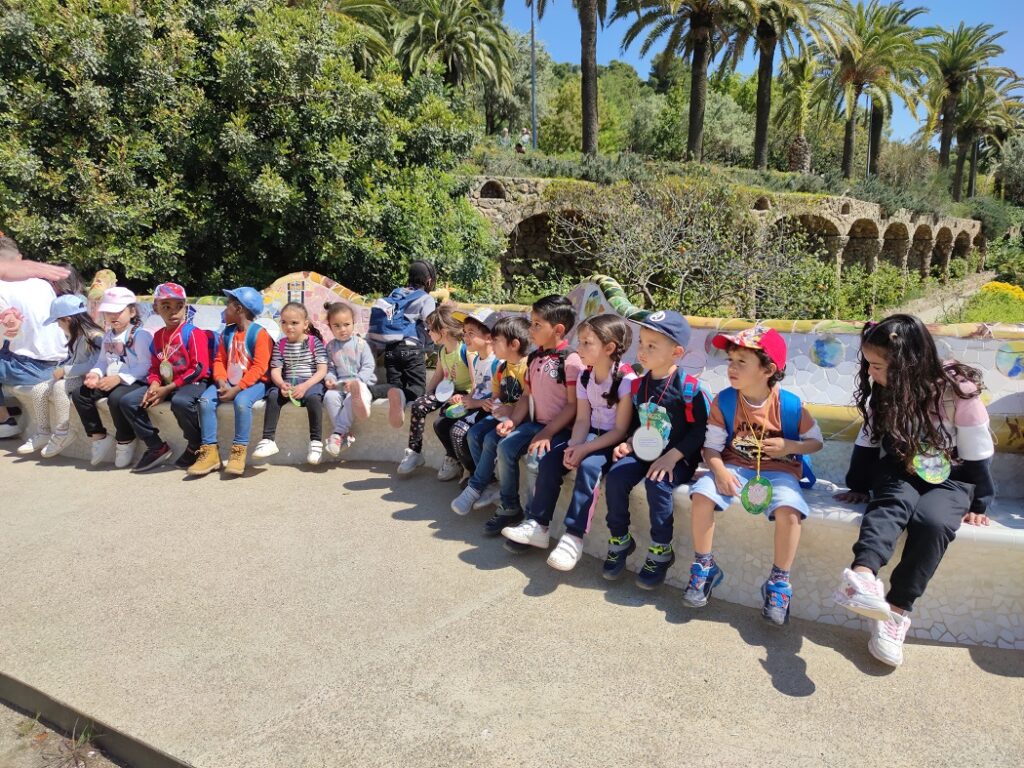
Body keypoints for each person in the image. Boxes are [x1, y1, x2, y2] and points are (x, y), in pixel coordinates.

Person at [831, 315, 995, 667]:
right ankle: (862, 577)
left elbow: (978, 450)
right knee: (891, 502)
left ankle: (895, 613)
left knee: (933, 523)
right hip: (900, 466)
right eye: (868, 364)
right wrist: (858, 485)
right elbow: (868, 440)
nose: (871, 373)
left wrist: (981, 502)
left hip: (952, 475)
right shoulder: (885, 391)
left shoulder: (957, 391)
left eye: (877, 366)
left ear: (906, 364)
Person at [685, 324, 822, 626]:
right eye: (730, 360)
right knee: (702, 495)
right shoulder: (725, 401)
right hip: (734, 467)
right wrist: (719, 471)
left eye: (741, 362)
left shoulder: (790, 405)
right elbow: (711, 448)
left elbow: (816, 441)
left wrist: (791, 446)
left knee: (790, 511)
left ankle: (779, 582)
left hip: (780, 470)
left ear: (768, 370)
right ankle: (704, 566)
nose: (731, 368)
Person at [503, 314, 636, 571]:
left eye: (587, 343)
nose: (579, 347)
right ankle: (538, 525)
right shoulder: (586, 377)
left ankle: (574, 537)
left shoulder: (625, 381)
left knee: (589, 468)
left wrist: (584, 449)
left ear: (609, 348)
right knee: (551, 460)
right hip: (589, 434)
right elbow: (583, 419)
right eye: (580, 341)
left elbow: (620, 430)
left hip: (613, 441)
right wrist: (574, 446)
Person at [601, 311, 709, 589]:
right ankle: (620, 539)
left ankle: (661, 549)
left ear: (676, 352)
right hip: (644, 452)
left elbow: (700, 431)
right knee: (616, 476)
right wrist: (627, 443)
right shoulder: (639, 385)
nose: (643, 351)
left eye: (652, 346)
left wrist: (673, 456)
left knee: (656, 483)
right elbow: (639, 423)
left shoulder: (689, 389)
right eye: (642, 343)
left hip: (677, 459)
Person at [483, 295, 583, 537]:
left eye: (537, 324)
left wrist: (547, 433)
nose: (531, 329)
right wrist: (513, 421)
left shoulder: (570, 361)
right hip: (536, 425)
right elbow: (527, 396)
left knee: (535, 461)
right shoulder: (535, 357)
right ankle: (510, 507)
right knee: (505, 447)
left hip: (560, 430)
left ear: (558, 329)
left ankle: (532, 522)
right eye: (532, 322)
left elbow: (573, 406)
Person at [120, 282, 212, 472]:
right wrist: (154, 384)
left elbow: (199, 369)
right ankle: (156, 446)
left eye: (179, 306)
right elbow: (155, 367)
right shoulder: (158, 337)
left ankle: (196, 445)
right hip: (166, 384)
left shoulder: (193, 333)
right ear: (156, 308)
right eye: (166, 307)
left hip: (192, 382)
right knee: (129, 402)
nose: (173, 312)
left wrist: (167, 389)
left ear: (185, 307)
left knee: (181, 402)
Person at [189, 287, 274, 477]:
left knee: (242, 402)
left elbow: (260, 367)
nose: (224, 309)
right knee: (205, 401)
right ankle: (210, 452)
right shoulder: (227, 333)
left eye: (228, 305)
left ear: (238, 308)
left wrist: (238, 389)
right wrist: (221, 381)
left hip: (255, 383)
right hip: (228, 381)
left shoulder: (260, 334)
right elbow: (219, 360)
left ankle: (238, 452)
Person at [450, 315, 530, 516]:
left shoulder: (527, 367)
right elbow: (497, 395)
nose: (492, 344)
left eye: (496, 340)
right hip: (502, 414)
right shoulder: (502, 368)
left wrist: (510, 411)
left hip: (521, 418)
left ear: (513, 345)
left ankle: (476, 487)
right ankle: (487, 483)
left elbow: (530, 400)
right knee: (474, 433)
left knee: (490, 438)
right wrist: (491, 402)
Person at [71, 287, 154, 467]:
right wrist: (95, 374)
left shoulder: (140, 335)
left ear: (132, 312)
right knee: (80, 394)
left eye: (119, 311)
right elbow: (102, 361)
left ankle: (125, 439)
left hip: (135, 381)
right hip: (113, 380)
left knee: (116, 399)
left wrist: (119, 378)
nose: (113, 316)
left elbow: (145, 366)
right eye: (109, 312)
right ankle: (98, 436)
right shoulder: (108, 335)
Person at [0, 237, 71, 438]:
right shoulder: (43, 284)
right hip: (61, 362)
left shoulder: (2, 286)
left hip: (32, 369)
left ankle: (4, 420)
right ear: (19, 260)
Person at [16, 294, 102, 457]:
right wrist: (61, 368)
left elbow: (96, 364)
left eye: (58, 322)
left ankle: (63, 431)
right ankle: (43, 432)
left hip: (87, 379)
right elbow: (73, 358)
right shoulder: (76, 336)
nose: (59, 326)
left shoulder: (95, 336)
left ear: (68, 320)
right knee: (38, 390)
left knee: (60, 386)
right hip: (74, 377)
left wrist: (66, 371)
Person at [396, 305, 472, 475]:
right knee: (418, 405)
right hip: (446, 391)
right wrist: (427, 395)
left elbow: (476, 380)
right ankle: (414, 451)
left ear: (443, 331)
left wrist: (466, 398)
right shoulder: (442, 351)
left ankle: (452, 458)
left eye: (431, 329)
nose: (428, 332)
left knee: (445, 416)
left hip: (464, 394)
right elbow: (438, 375)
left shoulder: (464, 350)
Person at [253, 302, 328, 465]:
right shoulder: (280, 345)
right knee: (273, 396)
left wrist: (305, 386)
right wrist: (281, 384)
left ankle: (316, 443)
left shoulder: (314, 342)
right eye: (284, 322)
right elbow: (275, 370)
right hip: (288, 383)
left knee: (314, 399)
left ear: (305, 324)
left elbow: (322, 370)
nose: (289, 327)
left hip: (310, 382)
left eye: (294, 323)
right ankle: (268, 440)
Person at [366, 260, 437, 429]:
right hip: (412, 349)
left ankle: (368, 391)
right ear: (429, 281)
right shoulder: (426, 298)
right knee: (418, 390)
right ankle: (401, 395)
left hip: (390, 349)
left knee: (394, 385)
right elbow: (432, 323)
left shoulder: (396, 292)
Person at [434, 307, 498, 481]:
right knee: (441, 424)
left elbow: (498, 397)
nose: (465, 337)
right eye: (464, 333)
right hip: (476, 405)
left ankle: (480, 476)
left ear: (489, 337)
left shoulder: (497, 362)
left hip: (489, 410)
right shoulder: (477, 359)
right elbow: (478, 389)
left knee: (458, 431)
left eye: (471, 333)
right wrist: (465, 398)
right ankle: (465, 467)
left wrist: (475, 403)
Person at [322, 301, 376, 457]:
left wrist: (356, 381)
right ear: (330, 326)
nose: (342, 329)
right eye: (337, 326)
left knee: (350, 399)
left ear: (353, 323)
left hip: (359, 384)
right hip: (340, 383)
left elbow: (368, 366)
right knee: (329, 397)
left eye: (346, 324)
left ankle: (338, 433)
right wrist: (330, 379)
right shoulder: (330, 347)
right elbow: (330, 368)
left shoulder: (361, 344)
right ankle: (343, 435)